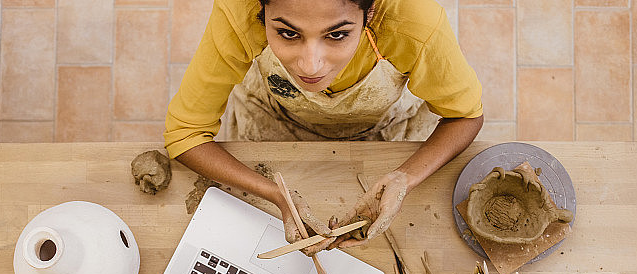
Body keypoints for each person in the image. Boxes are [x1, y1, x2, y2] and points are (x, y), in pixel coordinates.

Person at [165, 0, 483, 252]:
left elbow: (466, 116)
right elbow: (185, 133)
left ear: (370, 12)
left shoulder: (414, 20)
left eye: (337, 35)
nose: (310, 65)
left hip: (385, 128)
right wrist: (277, 195)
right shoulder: (238, 9)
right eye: (288, 33)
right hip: (273, 117)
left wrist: (404, 178)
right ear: (260, 10)